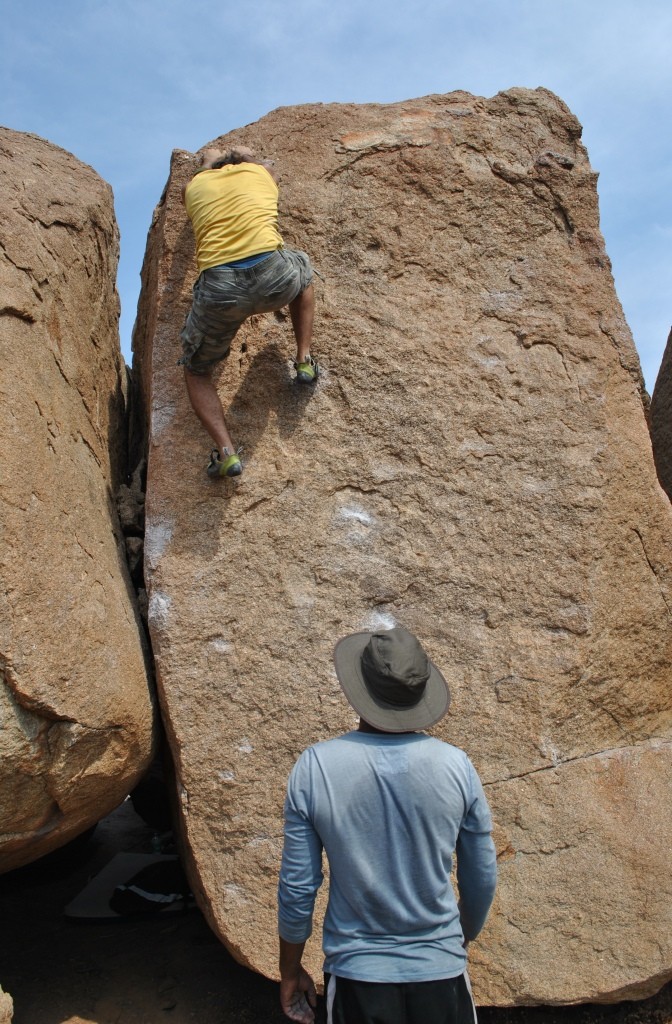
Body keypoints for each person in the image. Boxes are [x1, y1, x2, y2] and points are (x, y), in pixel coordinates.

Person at [277, 626, 497, 1024]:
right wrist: (456, 938)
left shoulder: (316, 767)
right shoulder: (456, 766)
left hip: (358, 977)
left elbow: (298, 887)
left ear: (359, 688)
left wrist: (289, 971)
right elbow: (482, 876)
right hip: (442, 975)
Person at [180, 145, 318, 479]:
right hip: (274, 276)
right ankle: (303, 359)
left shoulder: (195, 187)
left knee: (195, 370)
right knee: (304, 274)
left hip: (220, 290)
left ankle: (227, 453)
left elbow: (208, 163)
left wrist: (210, 159)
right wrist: (245, 155)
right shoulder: (260, 173)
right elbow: (262, 161)